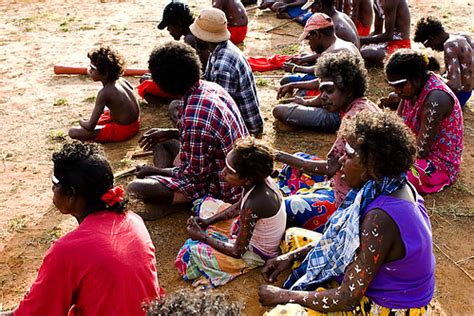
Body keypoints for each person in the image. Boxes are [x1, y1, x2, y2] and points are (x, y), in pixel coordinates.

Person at [259, 110, 435, 315]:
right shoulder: (385, 186)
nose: (341, 159)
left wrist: (283, 295)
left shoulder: (380, 218)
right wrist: (289, 257)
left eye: (350, 155)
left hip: (390, 306)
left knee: (283, 313)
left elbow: (347, 298)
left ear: (372, 165)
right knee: (293, 238)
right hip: (376, 277)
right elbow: (342, 240)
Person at [0, 142, 163, 316]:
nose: (53, 188)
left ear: (71, 194)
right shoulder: (133, 220)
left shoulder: (66, 251)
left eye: (55, 182)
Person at [126, 41, 248, 220]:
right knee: (160, 140)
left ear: (163, 85)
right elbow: (205, 138)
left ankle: (175, 199)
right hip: (221, 166)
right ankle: (169, 187)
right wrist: (170, 133)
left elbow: (196, 176)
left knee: (135, 188)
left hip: (223, 186)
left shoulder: (195, 116)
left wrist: (154, 171)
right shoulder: (210, 87)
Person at [274, 52, 380, 232]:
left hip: (349, 201)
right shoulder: (364, 106)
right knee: (298, 160)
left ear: (348, 90)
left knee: (282, 207)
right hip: (353, 184)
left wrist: (277, 155)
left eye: (328, 90)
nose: (322, 96)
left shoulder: (353, 119)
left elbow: (330, 168)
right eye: (321, 89)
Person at [175, 137, 287, 287]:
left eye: (229, 172)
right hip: (246, 228)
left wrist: (201, 237)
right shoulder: (259, 182)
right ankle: (213, 232)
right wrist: (208, 221)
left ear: (247, 179)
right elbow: (237, 207)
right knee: (206, 204)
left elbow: (237, 251)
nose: (222, 173)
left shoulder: (255, 202)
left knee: (187, 256)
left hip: (256, 253)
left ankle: (227, 262)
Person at [385, 50, 464, 194]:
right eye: (393, 86)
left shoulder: (436, 99)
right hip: (409, 151)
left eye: (400, 86)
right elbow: (396, 125)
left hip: (436, 164)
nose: (397, 91)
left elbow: (420, 151)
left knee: (390, 176)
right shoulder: (411, 91)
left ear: (415, 78)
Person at [186, 8, 263, 135]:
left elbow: (222, 108)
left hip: (245, 131)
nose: (194, 37)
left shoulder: (223, 66)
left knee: (188, 112)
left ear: (203, 38)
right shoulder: (219, 49)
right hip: (236, 118)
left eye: (196, 34)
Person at [68, 46, 140, 143]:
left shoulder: (104, 93)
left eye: (93, 68)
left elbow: (90, 126)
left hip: (123, 131)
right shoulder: (122, 81)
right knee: (106, 111)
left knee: (73, 132)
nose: (90, 70)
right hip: (135, 124)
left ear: (105, 73)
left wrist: (81, 121)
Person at [137, 1, 197, 104]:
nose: (168, 30)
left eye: (169, 26)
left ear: (178, 24)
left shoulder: (190, 40)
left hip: (192, 89)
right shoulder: (195, 33)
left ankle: (177, 100)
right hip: (196, 84)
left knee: (146, 86)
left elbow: (184, 75)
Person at [280, 13, 361, 86]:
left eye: (309, 38)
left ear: (316, 35)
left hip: (344, 89)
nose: (309, 43)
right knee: (305, 57)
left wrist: (295, 69)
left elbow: (318, 76)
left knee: (286, 80)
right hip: (351, 84)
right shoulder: (345, 44)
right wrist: (302, 60)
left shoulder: (329, 53)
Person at [414, 16, 473, 108]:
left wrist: (433, 76)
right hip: (467, 92)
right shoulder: (463, 36)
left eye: (428, 45)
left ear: (430, 38)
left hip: (459, 96)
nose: (432, 48)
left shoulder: (449, 46)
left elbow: (455, 86)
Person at [360, 0, 410, 66]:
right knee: (358, 48)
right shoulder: (377, 1)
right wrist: (360, 40)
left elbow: (388, 36)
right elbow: (377, 31)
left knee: (364, 53)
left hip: (400, 46)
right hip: (386, 43)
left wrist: (360, 40)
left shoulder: (391, 2)